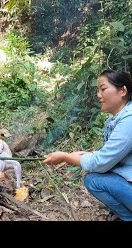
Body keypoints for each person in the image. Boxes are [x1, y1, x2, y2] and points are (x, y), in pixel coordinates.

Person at [43, 69, 132, 221]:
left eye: (103, 89)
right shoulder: (115, 120)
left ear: (122, 90)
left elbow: (101, 162)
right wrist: (82, 155)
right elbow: (112, 155)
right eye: (98, 90)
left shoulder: (128, 121)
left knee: (94, 181)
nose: (99, 95)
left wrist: (66, 157)